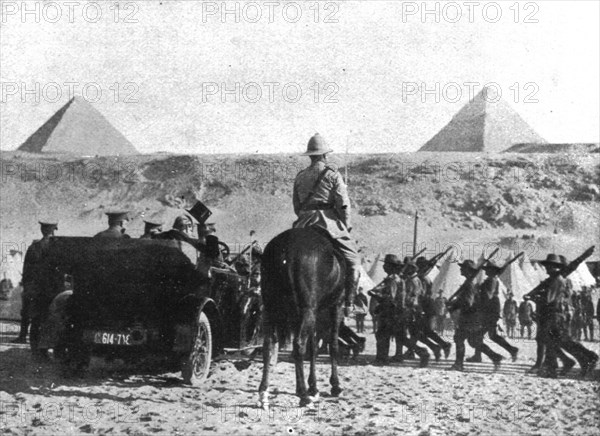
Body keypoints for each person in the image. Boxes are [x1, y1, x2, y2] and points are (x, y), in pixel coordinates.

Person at [292, 133, 360, 316]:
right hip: (327, 223)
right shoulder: (333, 175)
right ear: (324, 155)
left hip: (303, 223)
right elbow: (343, 204)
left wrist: (305, 216)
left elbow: (296, 206)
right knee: (354, 260)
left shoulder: (300, 176)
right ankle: (349, 305)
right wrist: (345, 225)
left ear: (311, 156)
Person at [536, 254, 598, 378]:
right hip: (556, 314)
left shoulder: (556, 280)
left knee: (560, 340)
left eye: (549, 266)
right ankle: (582, 359)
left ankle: (585, 358)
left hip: (555, 315)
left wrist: (536, 297)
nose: (546, 268)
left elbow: (549, 299)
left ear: (554, 267)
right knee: (557, 341)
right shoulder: (555, 279)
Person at [447, 260, 503, 372]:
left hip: (469, 317)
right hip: (472, 316)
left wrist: (454, 304)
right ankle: (495, 357)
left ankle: (459, 364)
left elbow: (468, 302)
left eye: (463, 268)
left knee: (459, 339)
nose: (461, 269)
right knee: (473, 341)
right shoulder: (469, 282)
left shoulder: (469, 284)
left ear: (468, 271)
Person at [12, 221, 58, 345]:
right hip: (51, 288)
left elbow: (26, 269)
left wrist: (26, 285)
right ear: (54, 230)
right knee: (47, 314)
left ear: (42, 230)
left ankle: (22, 336)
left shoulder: (34, 246)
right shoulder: (58, 246)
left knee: (27, 311)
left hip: (34, 286)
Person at [467, 261, 519, 363]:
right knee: (491, 335)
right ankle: (511, 350)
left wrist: (478, 291)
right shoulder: (491, 280)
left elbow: (488, 296)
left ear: (492, 271)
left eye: (488, 270)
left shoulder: (491, 280)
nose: (486, 271)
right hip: (490, 310)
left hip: (488, 310)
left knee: (478, 335)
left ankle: (506, 352)